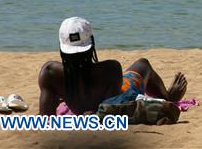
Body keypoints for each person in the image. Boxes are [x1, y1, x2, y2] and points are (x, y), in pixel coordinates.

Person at [38, 17, 187, 120]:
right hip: (109, 108)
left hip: (82, 109)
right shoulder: (110, 69)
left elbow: (46, 120)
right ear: (92, 43)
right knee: (143, 64)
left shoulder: (49, 73)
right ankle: (169, 97)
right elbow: (115, 108)